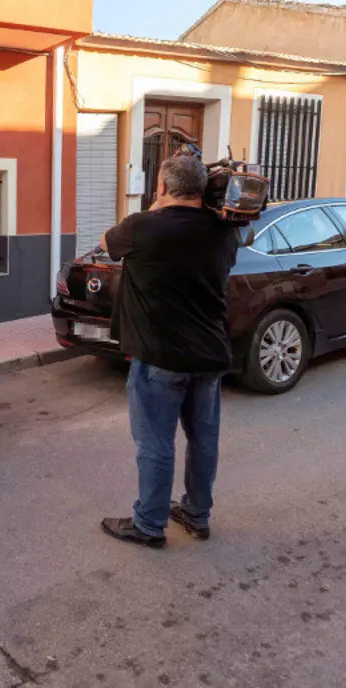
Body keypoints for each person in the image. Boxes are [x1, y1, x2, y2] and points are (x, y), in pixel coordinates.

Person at [97, 154, 240, 548]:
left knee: (156, 442)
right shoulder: (224, 232)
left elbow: (105, 243)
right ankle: (196, 514)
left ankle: (149, 523)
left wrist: (155, 207)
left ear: (161, 188)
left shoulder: (144, 227)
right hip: (209, 356)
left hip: (160, 358)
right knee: (203, 440)